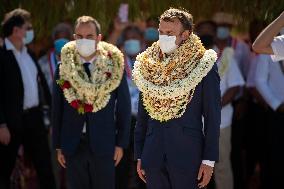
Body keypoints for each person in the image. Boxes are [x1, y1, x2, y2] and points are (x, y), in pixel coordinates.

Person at [133, 8, 221, 189]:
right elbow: (143, 115)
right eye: (161, 32)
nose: (163, 37)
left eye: (170, 33)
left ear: (185, 35)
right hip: (153, 155)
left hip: (187, 157)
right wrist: (140, 154)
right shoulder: (148, 64)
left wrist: (209, 160)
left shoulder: (203, 64)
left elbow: (213, 117)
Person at [52, 15, 131, 189]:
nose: (84, 40)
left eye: (89, 36)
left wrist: (121, 143)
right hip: (73, 144)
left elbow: (124, 108)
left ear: (99, 38)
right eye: (79, 37)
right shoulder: (62, 68)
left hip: (104, 144)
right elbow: (57, 109)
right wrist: (58, 145)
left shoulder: (114, 67)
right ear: (74, 38)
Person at [0, 8, 56, 189]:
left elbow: (42, 87)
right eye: (27, 28)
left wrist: (53, 114)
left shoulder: (29, 53)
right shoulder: (1, 55)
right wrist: (1, 125)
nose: (29, 32)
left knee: (45, 166)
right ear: (16, 31)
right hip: (11, 122)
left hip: (34, 118)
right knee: (5, 168)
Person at [196, 20, 244, 189]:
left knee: (221, 165)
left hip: (221, 122)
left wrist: (213, 108)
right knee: (194, 167)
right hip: (193, 124)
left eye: (209, 33)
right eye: (202, 32)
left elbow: (234, 86)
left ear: (215, 36)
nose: (205, 36)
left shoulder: (225, 57)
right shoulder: (187, 60)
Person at [255, 54, 284, 189]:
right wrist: (276, 104)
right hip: (278, 113)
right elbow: (259, 80)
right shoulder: (270, 45)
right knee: (277, 157)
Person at [38, 22, 73, 91]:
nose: (62, 43)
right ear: (53, 40)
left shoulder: (79, 61)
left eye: (65, 39)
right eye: (59, 40)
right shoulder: (43, 62)